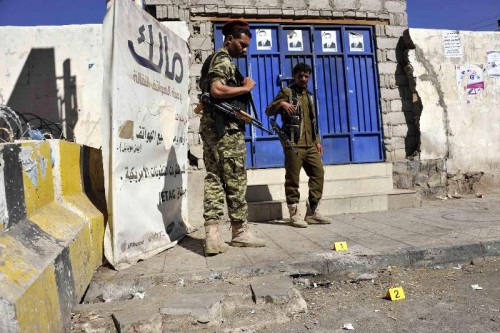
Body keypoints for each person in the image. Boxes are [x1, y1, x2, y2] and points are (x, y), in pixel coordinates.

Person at [198, 20, 266, 255]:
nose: (245, 49)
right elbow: (217, 90)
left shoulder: (212, 60)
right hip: (225, 130)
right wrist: (246, 88)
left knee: (214, 178)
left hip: (213, 128)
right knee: (235, 179)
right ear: (229, 39)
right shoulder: (223, 60)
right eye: (242, 44)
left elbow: (208, 95)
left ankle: (213, 236)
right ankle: (239, 233)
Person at [266, 63, 332, 228]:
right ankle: (294, 214)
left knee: (318, 174)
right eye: (300, 76)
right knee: (293, 179)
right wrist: (282, 104)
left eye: (306, 76)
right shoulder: (286, 92)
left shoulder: (309, 95)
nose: (303, 79)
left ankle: (313, 211)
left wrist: (317, 141)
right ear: (294, 76)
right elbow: (269, 111)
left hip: (310, 145)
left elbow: (313, 121)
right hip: (293, 144)